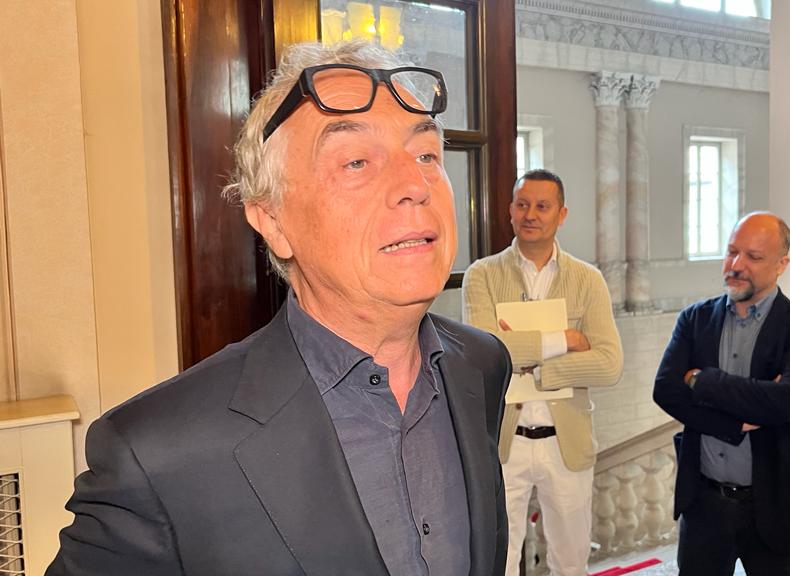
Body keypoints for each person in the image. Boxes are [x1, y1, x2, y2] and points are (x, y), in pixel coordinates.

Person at [47, 41, 510, 576]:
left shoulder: (481, 365)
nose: (414, 185)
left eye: (426, 154)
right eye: (356, 161)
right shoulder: (154, 455)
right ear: (272, 221)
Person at [462, 169, 623, 576]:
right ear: (510, 211)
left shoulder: (588, 279)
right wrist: (565, 339)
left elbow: (609, 364)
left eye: (542, 206)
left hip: (565, 444)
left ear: (561, 214)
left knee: (570, 562)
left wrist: (537, 371)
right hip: (505, 443)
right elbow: (485, 355)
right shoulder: (482, 275)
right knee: (498, 561)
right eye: (522, 204)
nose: (530, 214)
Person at [653, 212, 790, 576]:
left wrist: (703, 380)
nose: (736, 265)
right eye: (732, 251)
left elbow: (785, 402)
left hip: (775, 506)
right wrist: (735, 424)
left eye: (753, 257)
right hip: (704, 505)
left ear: (781, 265)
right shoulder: (694, 319)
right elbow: (666, 391)